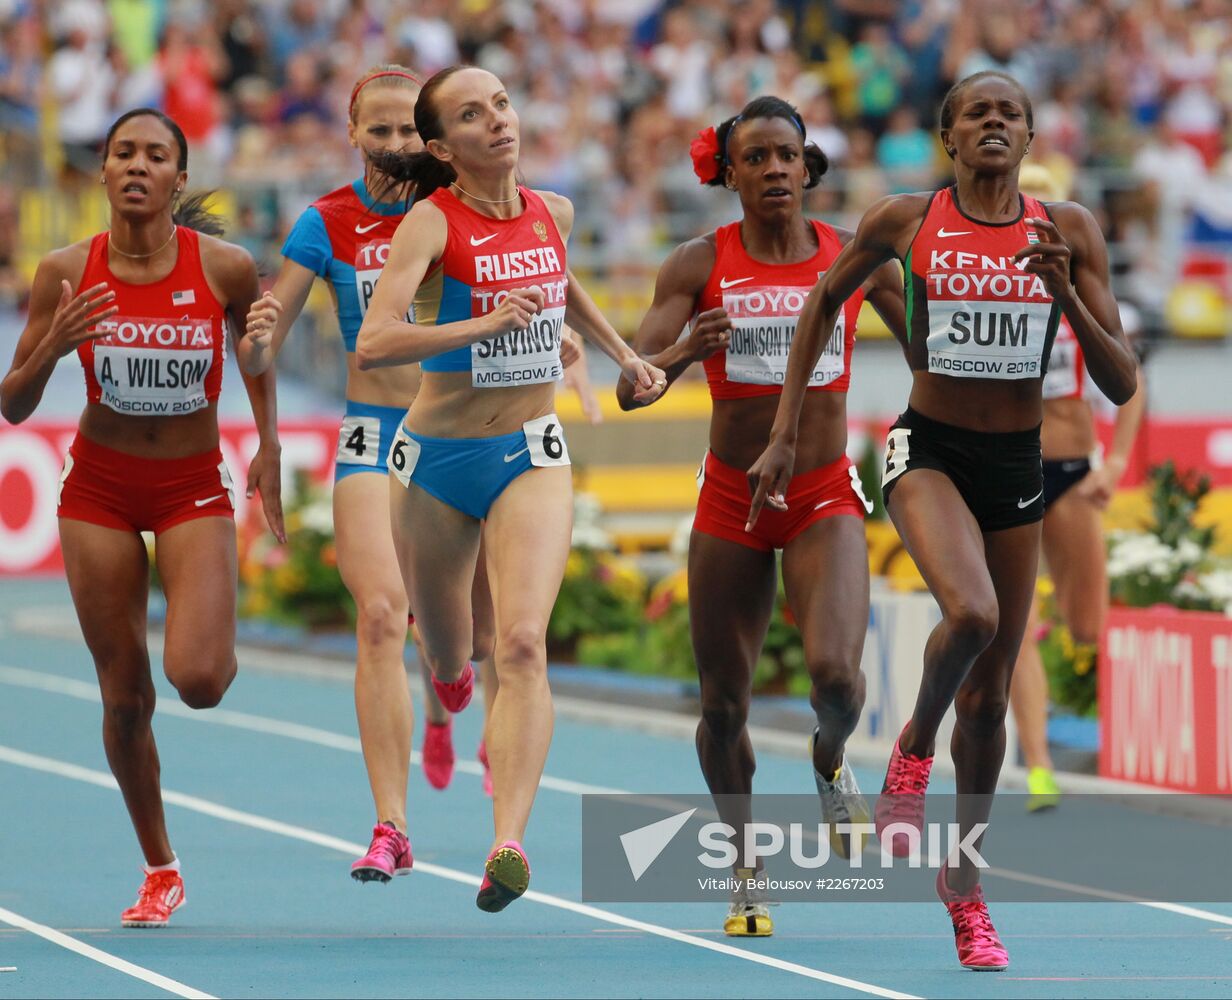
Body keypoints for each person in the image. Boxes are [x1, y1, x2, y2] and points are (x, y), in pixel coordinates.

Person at [747, 72, 1137, 970]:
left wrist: (1067, 295)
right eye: (977, 114)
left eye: (1011, 113)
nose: (994, 123)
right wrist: (781, 430)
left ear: (1030, 138)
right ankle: (914, 748)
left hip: (1018, 466)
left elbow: (1120, 380)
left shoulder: (1068, 229)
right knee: (974, 615)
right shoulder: (904, 220)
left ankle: (964, 894)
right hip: (926, 450)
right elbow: (821, 303)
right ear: (949, 139)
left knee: (992, 694)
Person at [355, 65, 665, 911]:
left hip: (532, 452)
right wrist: (480, 324)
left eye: (500, 104)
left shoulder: (550, 212)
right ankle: (447, 688)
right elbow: (375, 343)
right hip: (436, 462)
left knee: (524, 644)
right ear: (441, 146)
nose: (496, 122)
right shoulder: (430, 223)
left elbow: (560, 285)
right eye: (470, 114)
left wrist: (622, 353)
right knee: (456, 655)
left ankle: (508, 842)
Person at [617, 95, 905, 937]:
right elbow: (634, 388)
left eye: (789, 155)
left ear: (808, 165)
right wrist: (680, 353)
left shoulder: (856, 258)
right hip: (730, 501)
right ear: (730, 173)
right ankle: (745, 868)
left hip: (821, 495)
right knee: (723, 707)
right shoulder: (696, 264)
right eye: (758, 158)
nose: (776, 169)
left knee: (838, 681)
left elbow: (933, 348)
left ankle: (829, 761)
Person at [0, 108, 283, 927]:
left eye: (155, 155)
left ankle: (210, 635)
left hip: (190, 484)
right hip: (99, 488)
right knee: (125, 698)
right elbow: (14, 408)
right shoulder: (63, 270)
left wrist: (266, 441)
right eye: (122, 152)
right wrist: (51, 346)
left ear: (177, 179)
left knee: (198, 680)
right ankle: (161, 867)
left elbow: (255, 355)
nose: (136, 165)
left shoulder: (225, 268)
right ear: (103, 172)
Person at [240, 65, 495, 885]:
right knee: (382, 616)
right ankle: (392, 825)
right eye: (374, 130)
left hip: (459, 430)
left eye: (403, 132)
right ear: (351, 133)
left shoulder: (459, 208)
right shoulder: (326, 222)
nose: (390, 146)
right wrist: (257, 335)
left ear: (428, 138)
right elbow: (260, 350)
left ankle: (447, 689)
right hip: (373, 430)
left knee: (468, 638)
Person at [1009, 164, 1146, 812]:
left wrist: (1114, 463)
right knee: (1015, 626)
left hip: (1068, 474)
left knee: (1087, 626)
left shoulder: (1081, 290)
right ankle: (1038, 764)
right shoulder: (986, 287)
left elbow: (1132, 380)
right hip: (1006, 472)